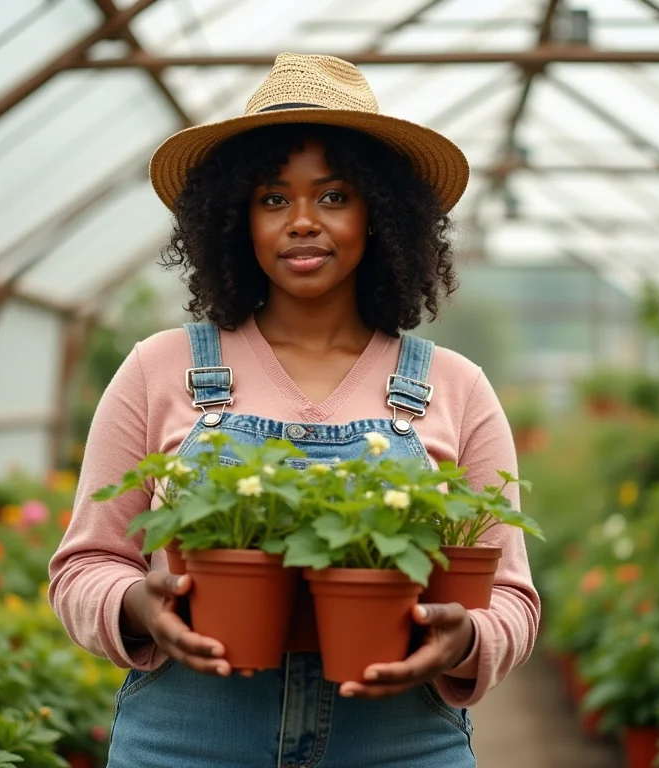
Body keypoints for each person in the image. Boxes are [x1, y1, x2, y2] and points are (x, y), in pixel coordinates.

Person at [49, 53, 540, 767]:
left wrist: (465, 638)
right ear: (236, 219)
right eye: (273, 199)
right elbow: (84, 565)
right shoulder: (160, 369)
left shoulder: (454, 386)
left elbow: (511, 597)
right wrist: (136, 605)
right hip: (187, 742)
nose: (303, 222)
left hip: (399, 745)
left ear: (381, 214)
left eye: (334, 196)